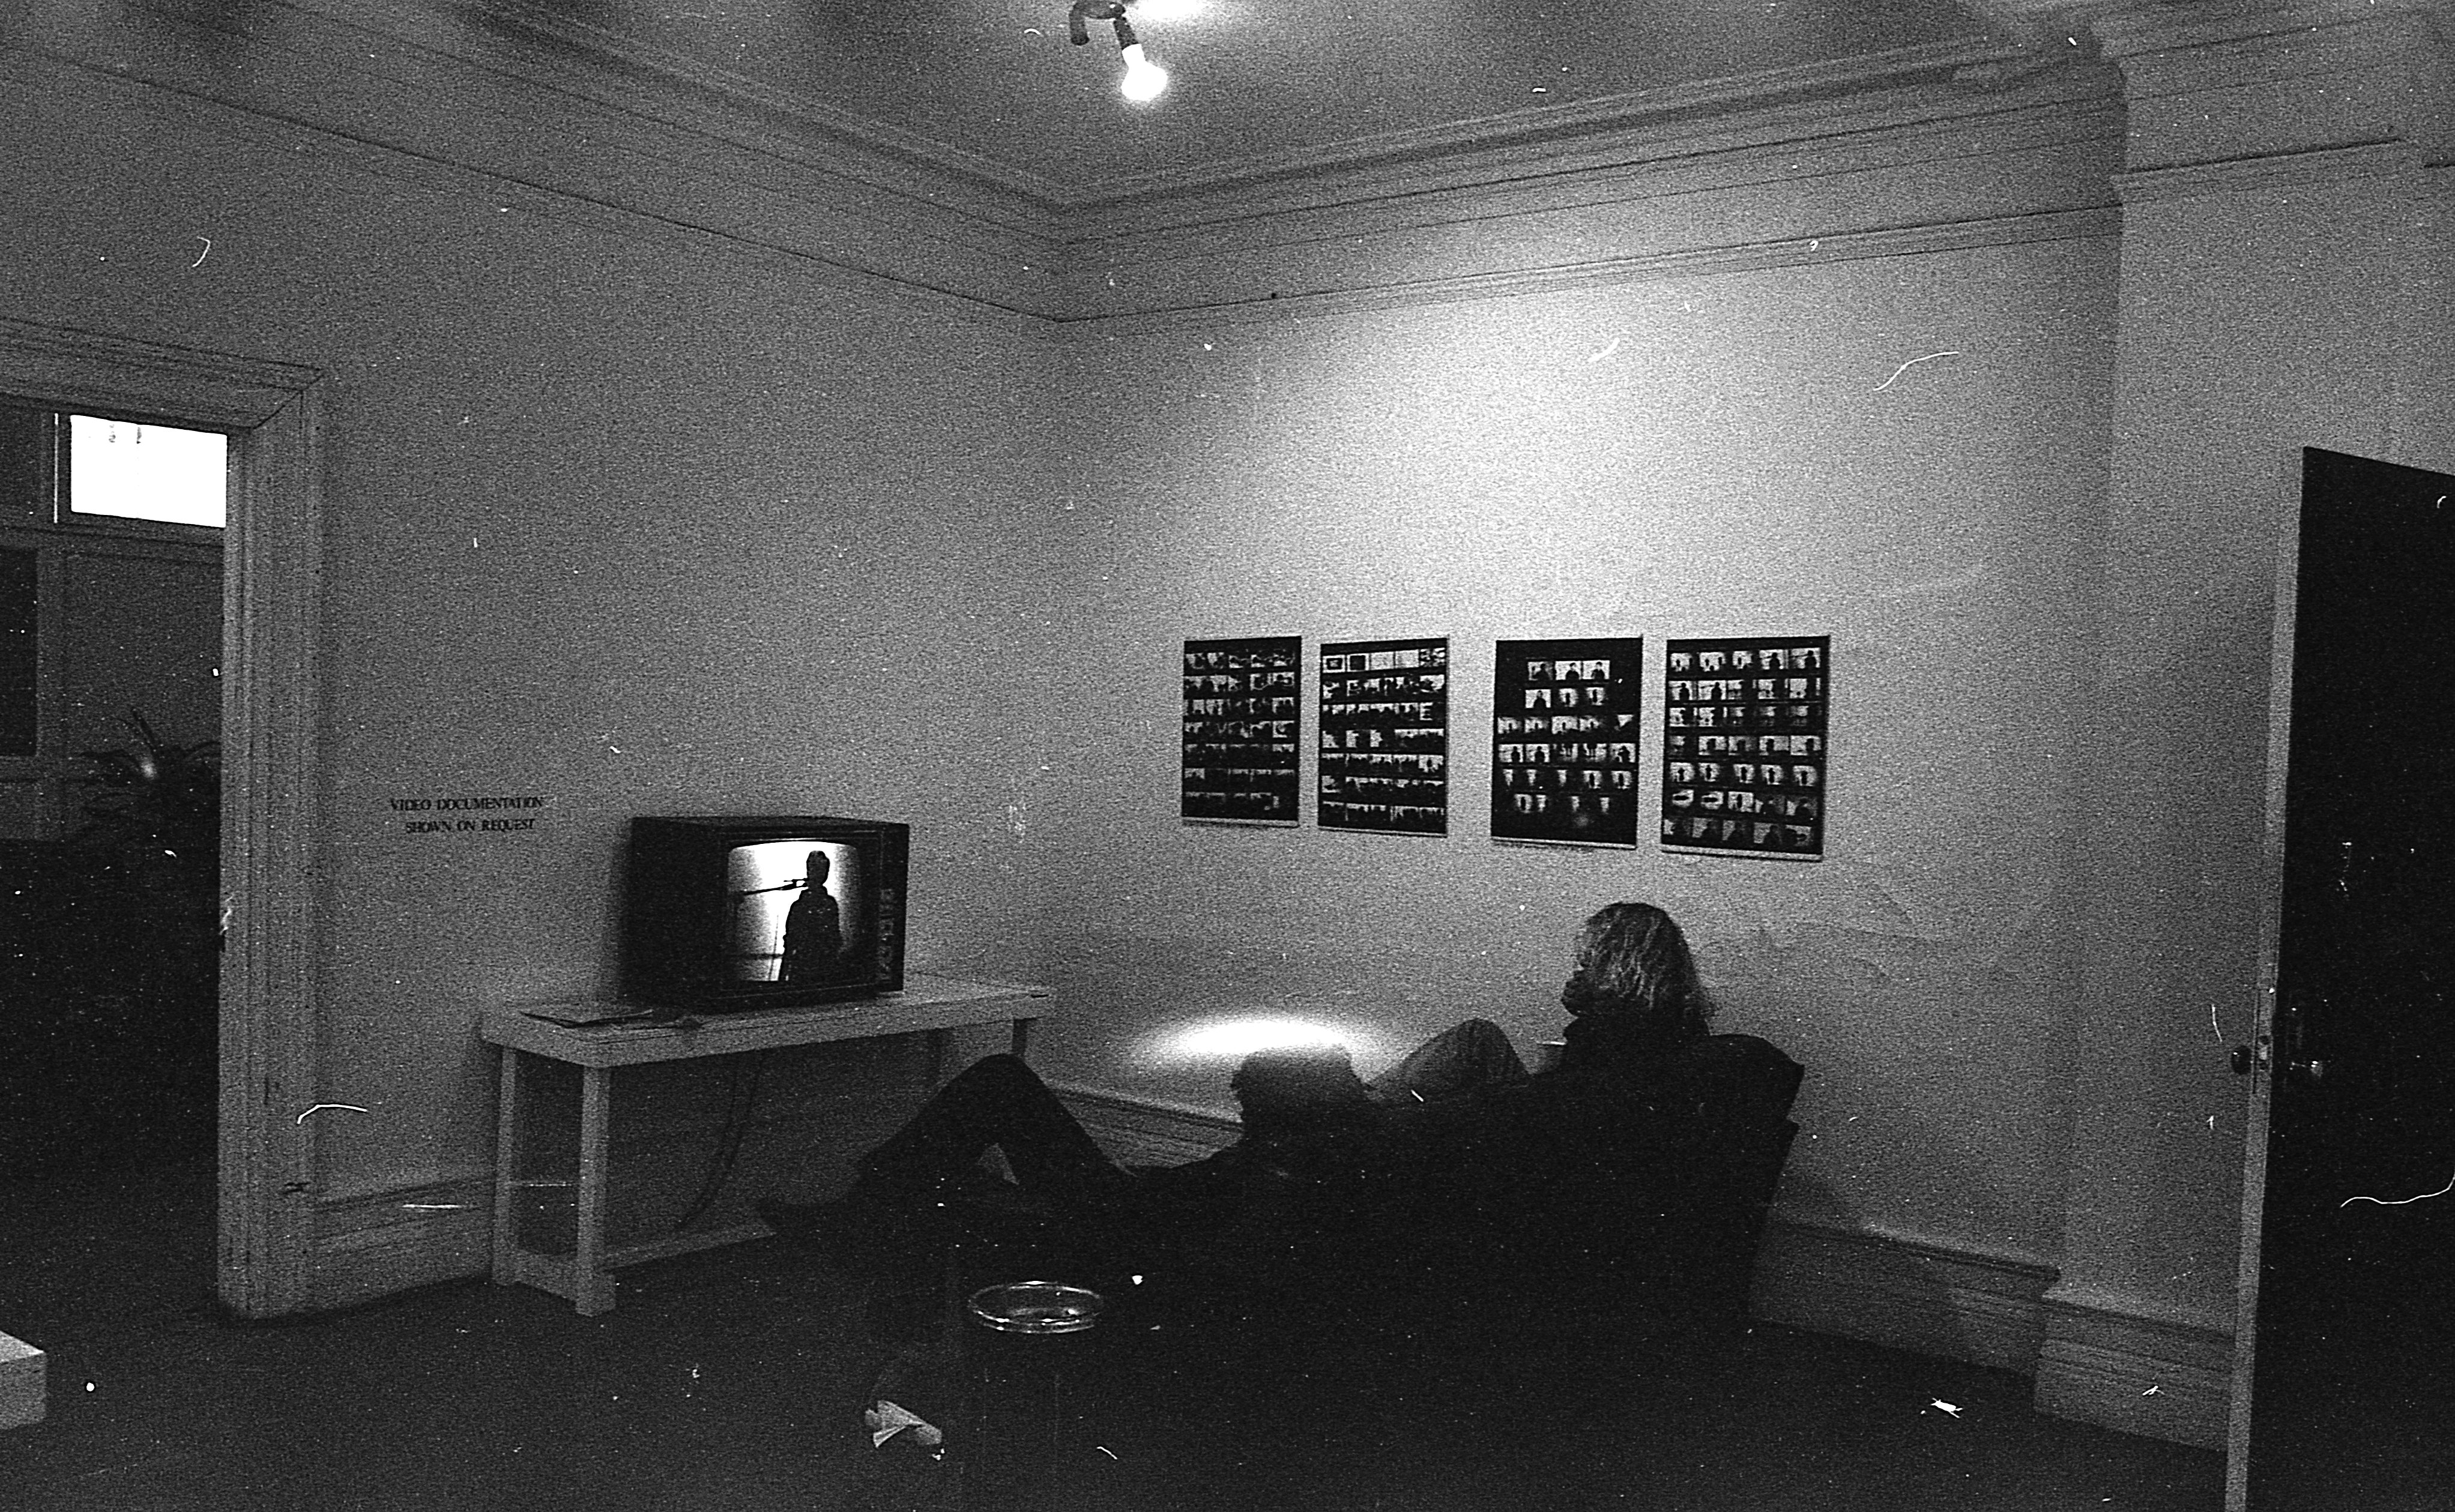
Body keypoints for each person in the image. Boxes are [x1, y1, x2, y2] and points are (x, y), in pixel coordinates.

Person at [757, 902, 1720, 1266]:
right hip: (1251, 1182)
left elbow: (1487, 1132)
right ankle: (866, 1203)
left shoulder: (1576, 1083)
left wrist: (1382, 1113)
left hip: (1152, 1216)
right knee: (1473, 1036)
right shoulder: (1656, 1061)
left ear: (1612, 974)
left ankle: (860, 1210)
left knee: (1003, 1077)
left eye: (1585, 966)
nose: (1572, 977)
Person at [779, 851, 846, 982]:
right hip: (802, 966)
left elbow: (834, 937)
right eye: (813, 868)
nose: (817, 873)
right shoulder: (799, 906)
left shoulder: (830, 904)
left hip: (824, 965)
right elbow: (790, 941)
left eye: (821, 869)